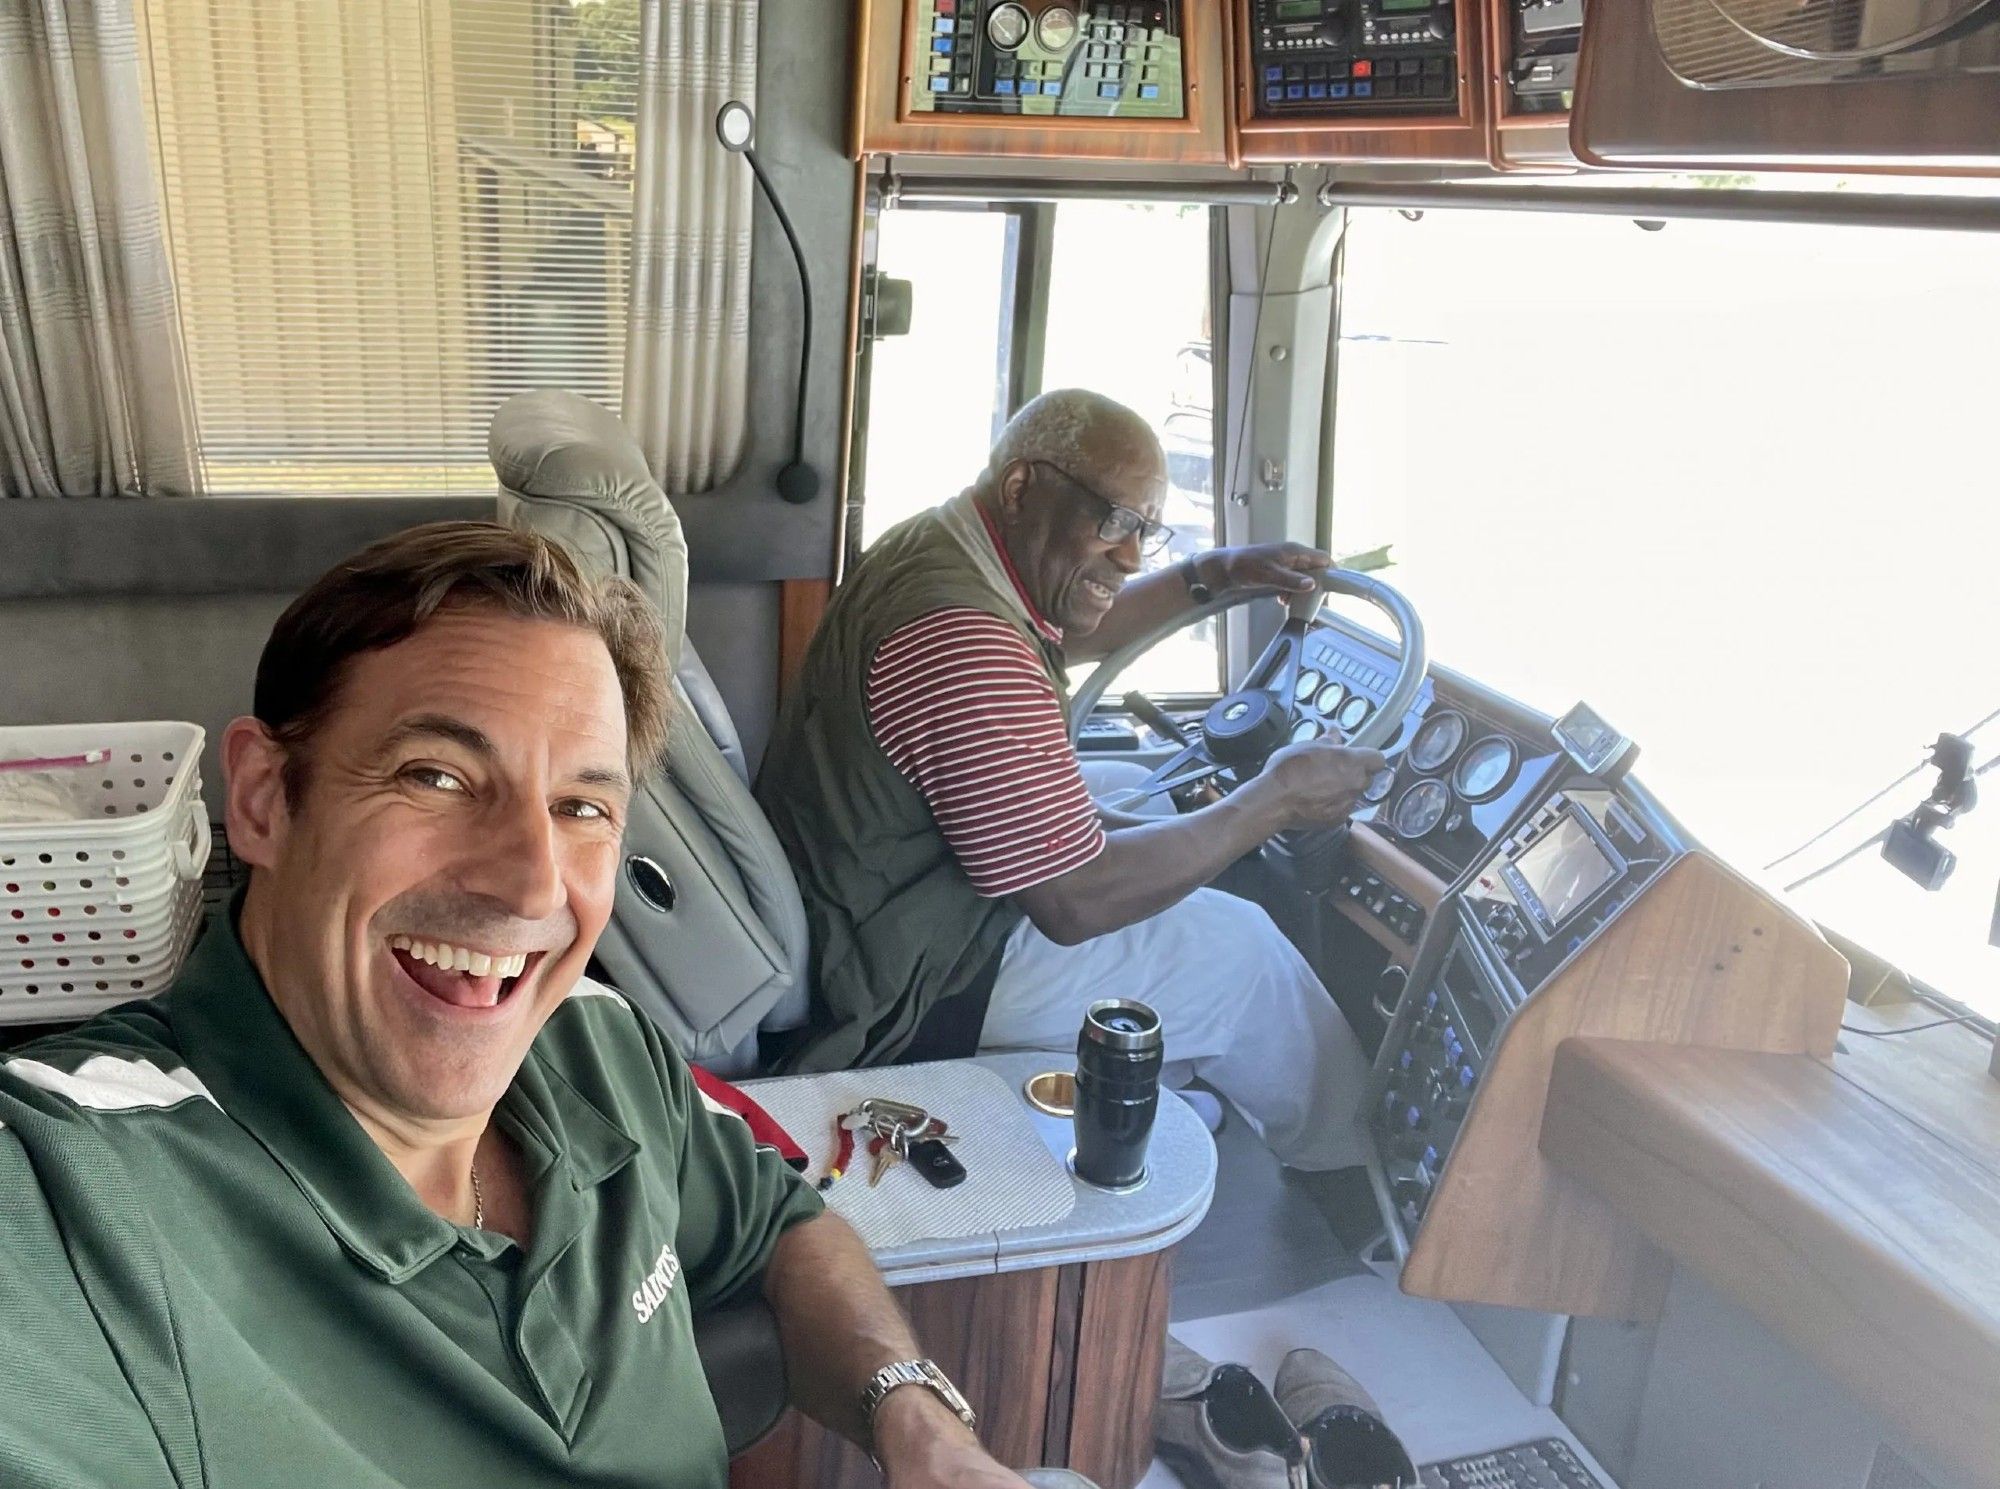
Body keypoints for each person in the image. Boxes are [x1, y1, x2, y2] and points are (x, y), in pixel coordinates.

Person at [0, 523, 1051, 1489]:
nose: (530, 886)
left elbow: (783, 1223)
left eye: (580, 806)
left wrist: (921, 1427)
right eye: (439, 777)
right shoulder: (84, 1196)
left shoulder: (598, 1044)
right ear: (268, 800)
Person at [758, 390, 1386, 1170]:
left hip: (877, 892)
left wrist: (1215, 575)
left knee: (1132, 785)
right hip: (908, 976)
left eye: (1146, 532)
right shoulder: (966, 642)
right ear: (1024, 487)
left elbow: (1074, 620)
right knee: (1247, 952)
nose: (1129, 557)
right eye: (1113, 521)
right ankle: (1353, 1177)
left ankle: (1183, 1066)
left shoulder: (943, 548)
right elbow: (1075, 900)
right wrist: (1275, 800)